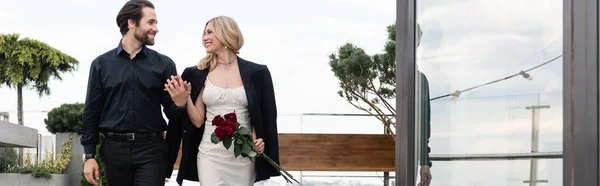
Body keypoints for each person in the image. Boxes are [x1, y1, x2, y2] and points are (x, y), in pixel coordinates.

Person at [164, 16, 281, 186]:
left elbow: (263, 115)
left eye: (209, 32)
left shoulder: (258, 73)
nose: (204, 38)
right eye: (204, 33)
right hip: (209, 154)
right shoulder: (197, 73)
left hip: (243, 155)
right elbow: (197, 121)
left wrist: (257, 140)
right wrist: (185, 98)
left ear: (226, 33)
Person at [80, 1, 188, 185]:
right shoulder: (101, 65)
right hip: (114, 150)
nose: (156, 28)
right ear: (131, 23)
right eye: (151, 22)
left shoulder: (164, 64)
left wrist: (180, 104)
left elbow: (173, 115)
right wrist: (89, 155)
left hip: (151, 150)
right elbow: (92, 111)